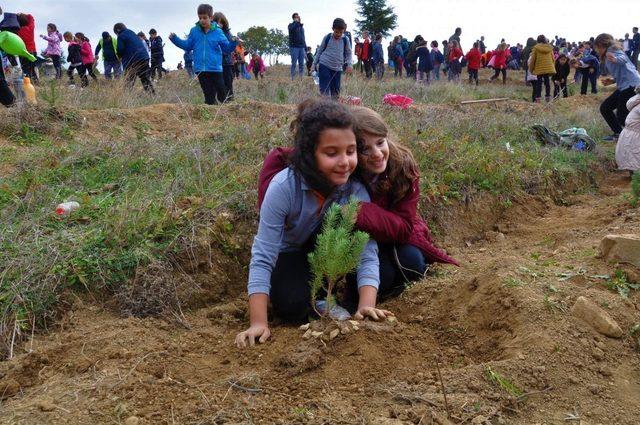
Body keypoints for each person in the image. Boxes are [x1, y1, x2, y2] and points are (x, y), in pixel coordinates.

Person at [255, 109, 460, 315]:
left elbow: (397, 231)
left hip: (386, 237)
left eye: (380, 142)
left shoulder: (398, 170)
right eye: (364, 149)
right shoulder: (338, 175)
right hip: (311, 243)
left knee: (407, 264)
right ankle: (324, 294)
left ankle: (352, 300)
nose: (377, 154)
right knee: (293, 301)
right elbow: (264, 251)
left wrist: (361, 213)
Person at [235, 99, 388, 347]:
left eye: (350, 152)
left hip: (331, 255)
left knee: (381, 265)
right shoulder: (284, 187)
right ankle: (320, 301)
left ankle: (341, 302)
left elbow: (366, 251)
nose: (344, 162)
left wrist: (366, 306)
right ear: (309, 154)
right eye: (331, 153)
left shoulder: (354, 189)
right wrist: (258, 322)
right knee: (290, 303)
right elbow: (264, 255)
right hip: (290, 256)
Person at [169, 3, 237, 104]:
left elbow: (226, 49)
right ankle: (212, 115)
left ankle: (226, 114)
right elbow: (187, 46)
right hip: (201, 69)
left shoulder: (218, 32)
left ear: (211, 17)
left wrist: (234, 42)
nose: (202, 20)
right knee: (209, 98)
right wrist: (175, 39)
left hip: (215, 69)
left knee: (223, 96)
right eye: (200, 18)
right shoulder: (194, 31)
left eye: (205, 18)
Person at [595, 33, 640, 141]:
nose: (596, 50)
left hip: (632, 86)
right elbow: (625, 70)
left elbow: (623, 58)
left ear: (602, 44)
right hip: (625, 86)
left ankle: (633, 137)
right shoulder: (608, 54)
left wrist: (615, 58)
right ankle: (618, 133)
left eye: (597, 47)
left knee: (622, 116)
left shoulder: (612, 50)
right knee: (605, 108)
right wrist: (612, 80)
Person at [312, 18, 353, 98]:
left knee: (336, 92)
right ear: (333, 29)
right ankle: (324, 106)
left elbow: (349, 53)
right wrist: (314, 64)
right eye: (336, 32)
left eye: (341, 32)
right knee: (325, 90)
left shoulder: (345, 40)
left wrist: (349, 64)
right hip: (324, 65)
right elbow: (319, 51)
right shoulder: (327, 37)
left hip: (337, 69)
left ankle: (334, 109)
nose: (338, 34)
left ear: (344, 31)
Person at [114, 23, 155, 93]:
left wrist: (119, 56)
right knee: (145, 78)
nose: (116, 35)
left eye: (115, 33)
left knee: (129, 81)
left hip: (133, 60)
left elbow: (120, 49)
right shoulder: (132, 32)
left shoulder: (121, 36)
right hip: (144, 57)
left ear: (118, 30)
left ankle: (126, 98)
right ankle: (152, 95)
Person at [615, 89, 640, 176]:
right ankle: (635, 177)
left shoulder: (636, 101)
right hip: (634, 137)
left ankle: (634, 175)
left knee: (632, 158)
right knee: (634, 158)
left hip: (629, 135)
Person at [213, 12, 235, 101]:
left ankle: (230, 102)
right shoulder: (211, 33)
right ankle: (221, 102)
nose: (219, 25)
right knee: (218, 85)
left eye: (221, 23)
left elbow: (229, 47)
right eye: (217, 22)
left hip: (227, 63)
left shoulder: (227, 33)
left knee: (228, 83)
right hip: (216, 64)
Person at [528, 35, 556, 103]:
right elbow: (553, 58)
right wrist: (552, 67)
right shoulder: (549, 48)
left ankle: (538, 99)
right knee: (547, 83)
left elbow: (532, 60)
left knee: (539, 84)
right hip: (548, 68)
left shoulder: (536, 48)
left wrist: (531, 69)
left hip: (539, 68)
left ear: (537, 40)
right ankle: (548, 98)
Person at [16, 13, 37, 83]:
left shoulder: (18, 31)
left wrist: (16, 17)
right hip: (33, 51)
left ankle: (28, 83)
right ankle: (36, 82)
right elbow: (31, 18)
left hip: (23, 52)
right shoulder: (31, 28)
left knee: (25, 69)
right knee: (32, 68)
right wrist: (24, 14)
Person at [288, 12, 306, 80]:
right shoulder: (291, 25)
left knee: (301, 64)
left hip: (301, 47)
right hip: (294, 47)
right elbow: (291, 29)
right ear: (293, 18)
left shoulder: (301, 27)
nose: (297, 18)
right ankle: (293, 78)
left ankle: (301, 78)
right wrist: (296, 23)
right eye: (296, 17)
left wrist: (305, 48)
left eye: (298, 17)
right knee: (294, 63)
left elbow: (303, 38)